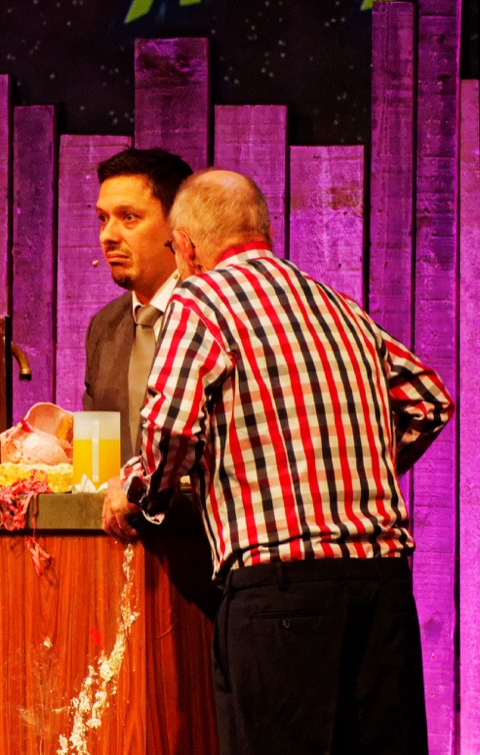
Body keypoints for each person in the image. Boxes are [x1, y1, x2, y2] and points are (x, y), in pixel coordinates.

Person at [103, 168, 454, 753]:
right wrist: (347, 469)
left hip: (280, 597)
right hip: (383, 591)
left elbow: (169, 429)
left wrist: (139, 495)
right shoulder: (334, 303)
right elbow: (428, 400)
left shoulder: (199, 300)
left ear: (185, 246)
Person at [84, 147, 192, 461]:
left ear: (177, 226)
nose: (107, 235)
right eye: (103, 219)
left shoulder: (211, 315)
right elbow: (96, 458)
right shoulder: (104, 326)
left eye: (128, 217)